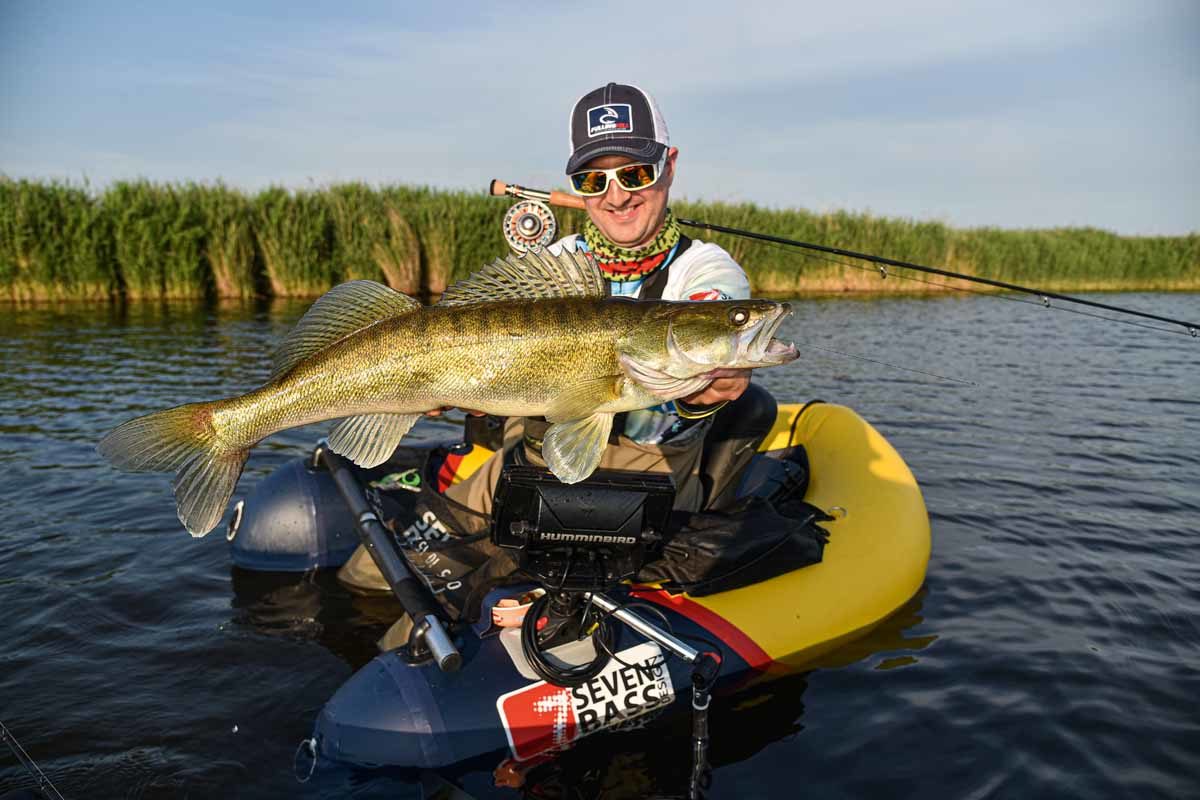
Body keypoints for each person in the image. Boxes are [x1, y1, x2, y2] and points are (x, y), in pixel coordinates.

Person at [337, 83, 778, 594]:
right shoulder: (553, 267)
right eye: (593, 180)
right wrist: (439, 393)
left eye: (636, 173)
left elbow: (711, 316)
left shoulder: (704, 270)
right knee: (368, 577)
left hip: (643, 483)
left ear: (669, 165)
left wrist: (713, 382)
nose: (616, 196)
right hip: (532, 463)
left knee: (499, 593)